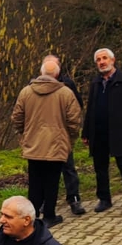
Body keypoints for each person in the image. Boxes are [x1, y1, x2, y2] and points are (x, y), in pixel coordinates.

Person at [11, 56, 82, 227]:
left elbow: (17, 118)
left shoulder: (26, 92)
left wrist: (25, 134)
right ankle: (50, 215)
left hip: (33, 145)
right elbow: (74, 121)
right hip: (56, 145)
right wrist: (69, 139)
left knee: (35, 182)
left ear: (40, 73)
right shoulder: (66, 93)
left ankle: (32, 217)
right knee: (52, 181)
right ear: (58, 75)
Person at [83, 48, 122, 217]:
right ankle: (104, 199)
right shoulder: (95, 83)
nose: (102, 62)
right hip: (99, 132)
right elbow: (90, 109)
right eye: (98, 60)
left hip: (119, 132)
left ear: (113, 60)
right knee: (100, 168)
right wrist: (86, 131)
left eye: (104, 58)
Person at [50, 55, 88, 216]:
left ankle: (74, 198)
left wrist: (72, 131)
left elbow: (77, 105)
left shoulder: (68, 84)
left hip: (63, 134)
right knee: (48, 172)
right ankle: (47, 202)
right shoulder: (34, 85)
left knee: (69, 169)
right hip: (43, 136)